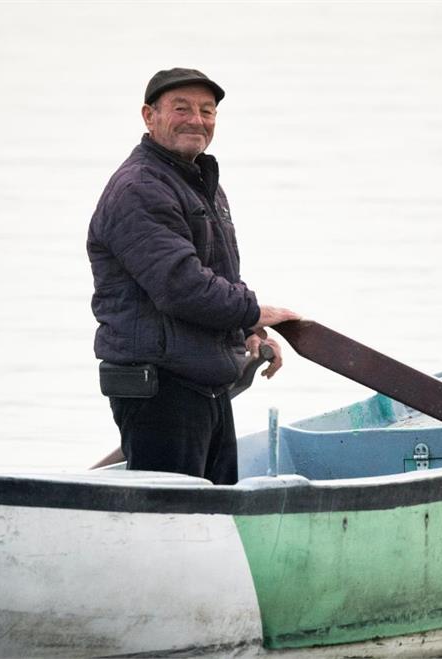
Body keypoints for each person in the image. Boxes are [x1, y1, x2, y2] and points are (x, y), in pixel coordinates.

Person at [87, 67, 299, 485]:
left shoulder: (200, 183)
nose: (196, 120)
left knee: (213, 516)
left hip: (205, 384)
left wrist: (246, 332)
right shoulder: (140, 188)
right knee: (171, 524)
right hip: (159, 390)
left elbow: (215, 274)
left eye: (207, 111)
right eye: (181, 108)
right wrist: (255, 310)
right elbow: (181, 286)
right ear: (149, 116)